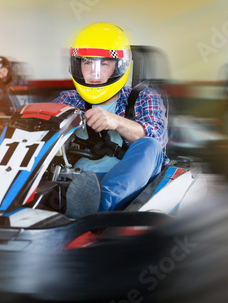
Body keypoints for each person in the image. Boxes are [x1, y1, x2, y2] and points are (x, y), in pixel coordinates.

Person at [53, 22, 168, 217]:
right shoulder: (68, 99)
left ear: (119, 66)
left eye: (103, 63)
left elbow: (157, 137)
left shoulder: (144, 97)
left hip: (128, 187)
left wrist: (116, 121)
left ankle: (96, 207)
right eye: (87, 63)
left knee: (149, 145)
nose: (93, 72)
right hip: (74, 185)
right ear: (77, 65)